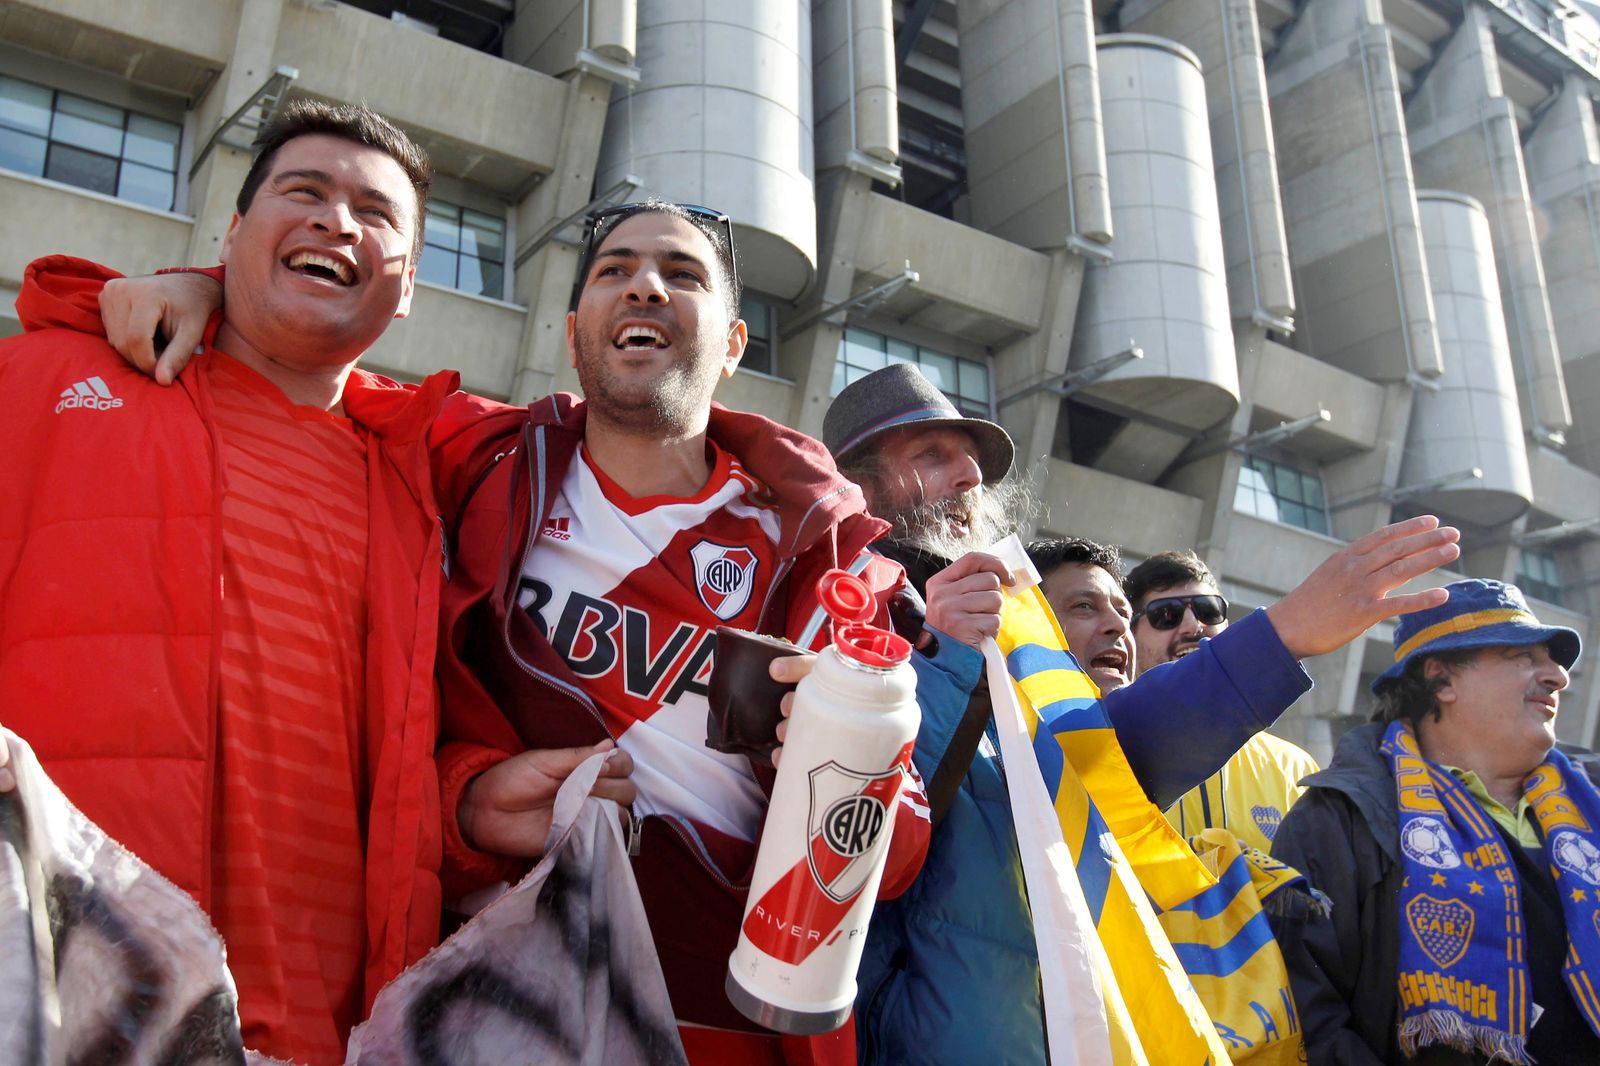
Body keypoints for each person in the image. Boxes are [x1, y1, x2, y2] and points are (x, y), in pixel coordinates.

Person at [822, 362, 1462, 1065]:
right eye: (933, 455)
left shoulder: (1010, 629)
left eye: (973, 458)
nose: (971, 476)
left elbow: (1103, 758)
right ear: (859, 485)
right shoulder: (830, 616)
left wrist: (1282, 635)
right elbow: (854, 834)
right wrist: (945, 655)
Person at [0, 101, 450, 1062]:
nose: (339, 222)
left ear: (406, 288)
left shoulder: (432, 484)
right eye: (306, 192)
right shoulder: (46, 381)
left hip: (325, 1036)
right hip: (70, 1004)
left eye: (376, 214)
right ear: (232, 235)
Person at [1270, 579, 1596, 1065]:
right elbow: (1306, 1020)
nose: (1557, 677)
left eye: (1552, 660)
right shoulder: (1336, 820)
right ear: (1441, 680)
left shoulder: (1590, 803)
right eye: (1524, 657)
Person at [1125, 550, 1322, 852]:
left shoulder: (1295, 768)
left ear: (1228, 628)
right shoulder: (1110, 753)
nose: (1193, 626)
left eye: (1208, 610)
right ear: (1131, 636)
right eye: (1166, 614)